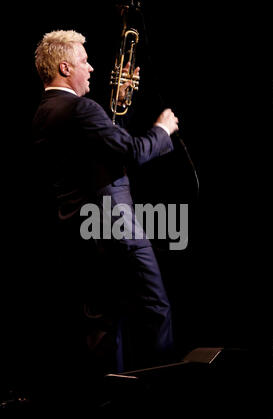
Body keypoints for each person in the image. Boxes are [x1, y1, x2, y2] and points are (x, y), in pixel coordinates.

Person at [32, 30, 179, 375]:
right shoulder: (80, 108)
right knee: (155, 309)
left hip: (80, 236)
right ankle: (170, 393)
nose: (92, 68)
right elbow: (132, 152)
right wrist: (163, 129)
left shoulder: (44, 112)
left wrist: (122, 104)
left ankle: (108, 406)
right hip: (114, 227)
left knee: (103, 325)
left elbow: (104, 152)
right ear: (65, 67)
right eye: (84, 61)